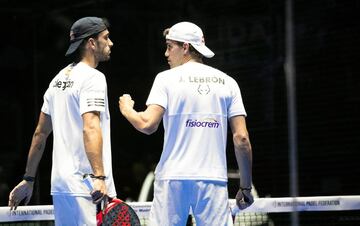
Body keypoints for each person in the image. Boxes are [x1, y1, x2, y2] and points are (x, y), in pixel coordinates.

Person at [119, 21, 253, 226]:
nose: (166, 53)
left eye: (169, 46)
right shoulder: (228, 82)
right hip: (212, 179)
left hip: (173, 179)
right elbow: (242, 139)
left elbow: (147, 124)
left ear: (185, 47)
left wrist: (127, 109)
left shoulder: (165, 79)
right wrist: (245, 187)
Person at [8, 16, 116, 225]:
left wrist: (28, 179)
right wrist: (100, 177)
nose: (110, 43)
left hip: (61, 185)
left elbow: (40, 133)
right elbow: (91, 127)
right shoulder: (93, 78)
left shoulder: (57, 80)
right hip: (88, 186)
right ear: (92, 43)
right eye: (106, 37)